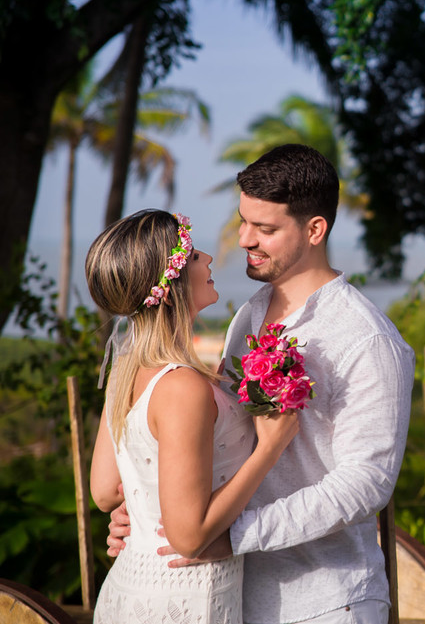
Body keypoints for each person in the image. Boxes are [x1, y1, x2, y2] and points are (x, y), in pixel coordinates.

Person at [108, 144, 416, 624]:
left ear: (315, 230)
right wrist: (149, 513)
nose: (246, 239)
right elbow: (212, 441)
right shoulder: (249, 315)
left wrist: (232, 536)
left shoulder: (367, 338)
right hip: (227, 594)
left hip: (324, 601)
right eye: (243, 222)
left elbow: (367, 482)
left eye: (266, 229)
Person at [88, 209, 300, 624]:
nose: (206, 257)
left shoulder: (127, 369)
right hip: (184, 599)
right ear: (169, 288)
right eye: (190, 254)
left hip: (130, 586)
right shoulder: (182, 387)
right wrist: (269, 450)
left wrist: (142, 507)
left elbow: (104, 492)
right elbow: (188, 537)